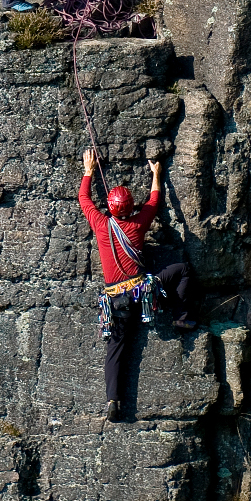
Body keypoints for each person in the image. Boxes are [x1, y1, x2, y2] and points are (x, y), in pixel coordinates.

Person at [78, 146, 196, 422]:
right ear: (131, 209)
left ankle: (113, 401)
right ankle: (181, 318)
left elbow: (84, 199)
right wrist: (157, 174)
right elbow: (154, 202)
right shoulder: (137, 225)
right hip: (142, 295)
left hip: (114, 302)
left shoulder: (100, 223)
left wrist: (89, 171)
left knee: (116, 350)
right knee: (182, 269)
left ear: (109, 207)